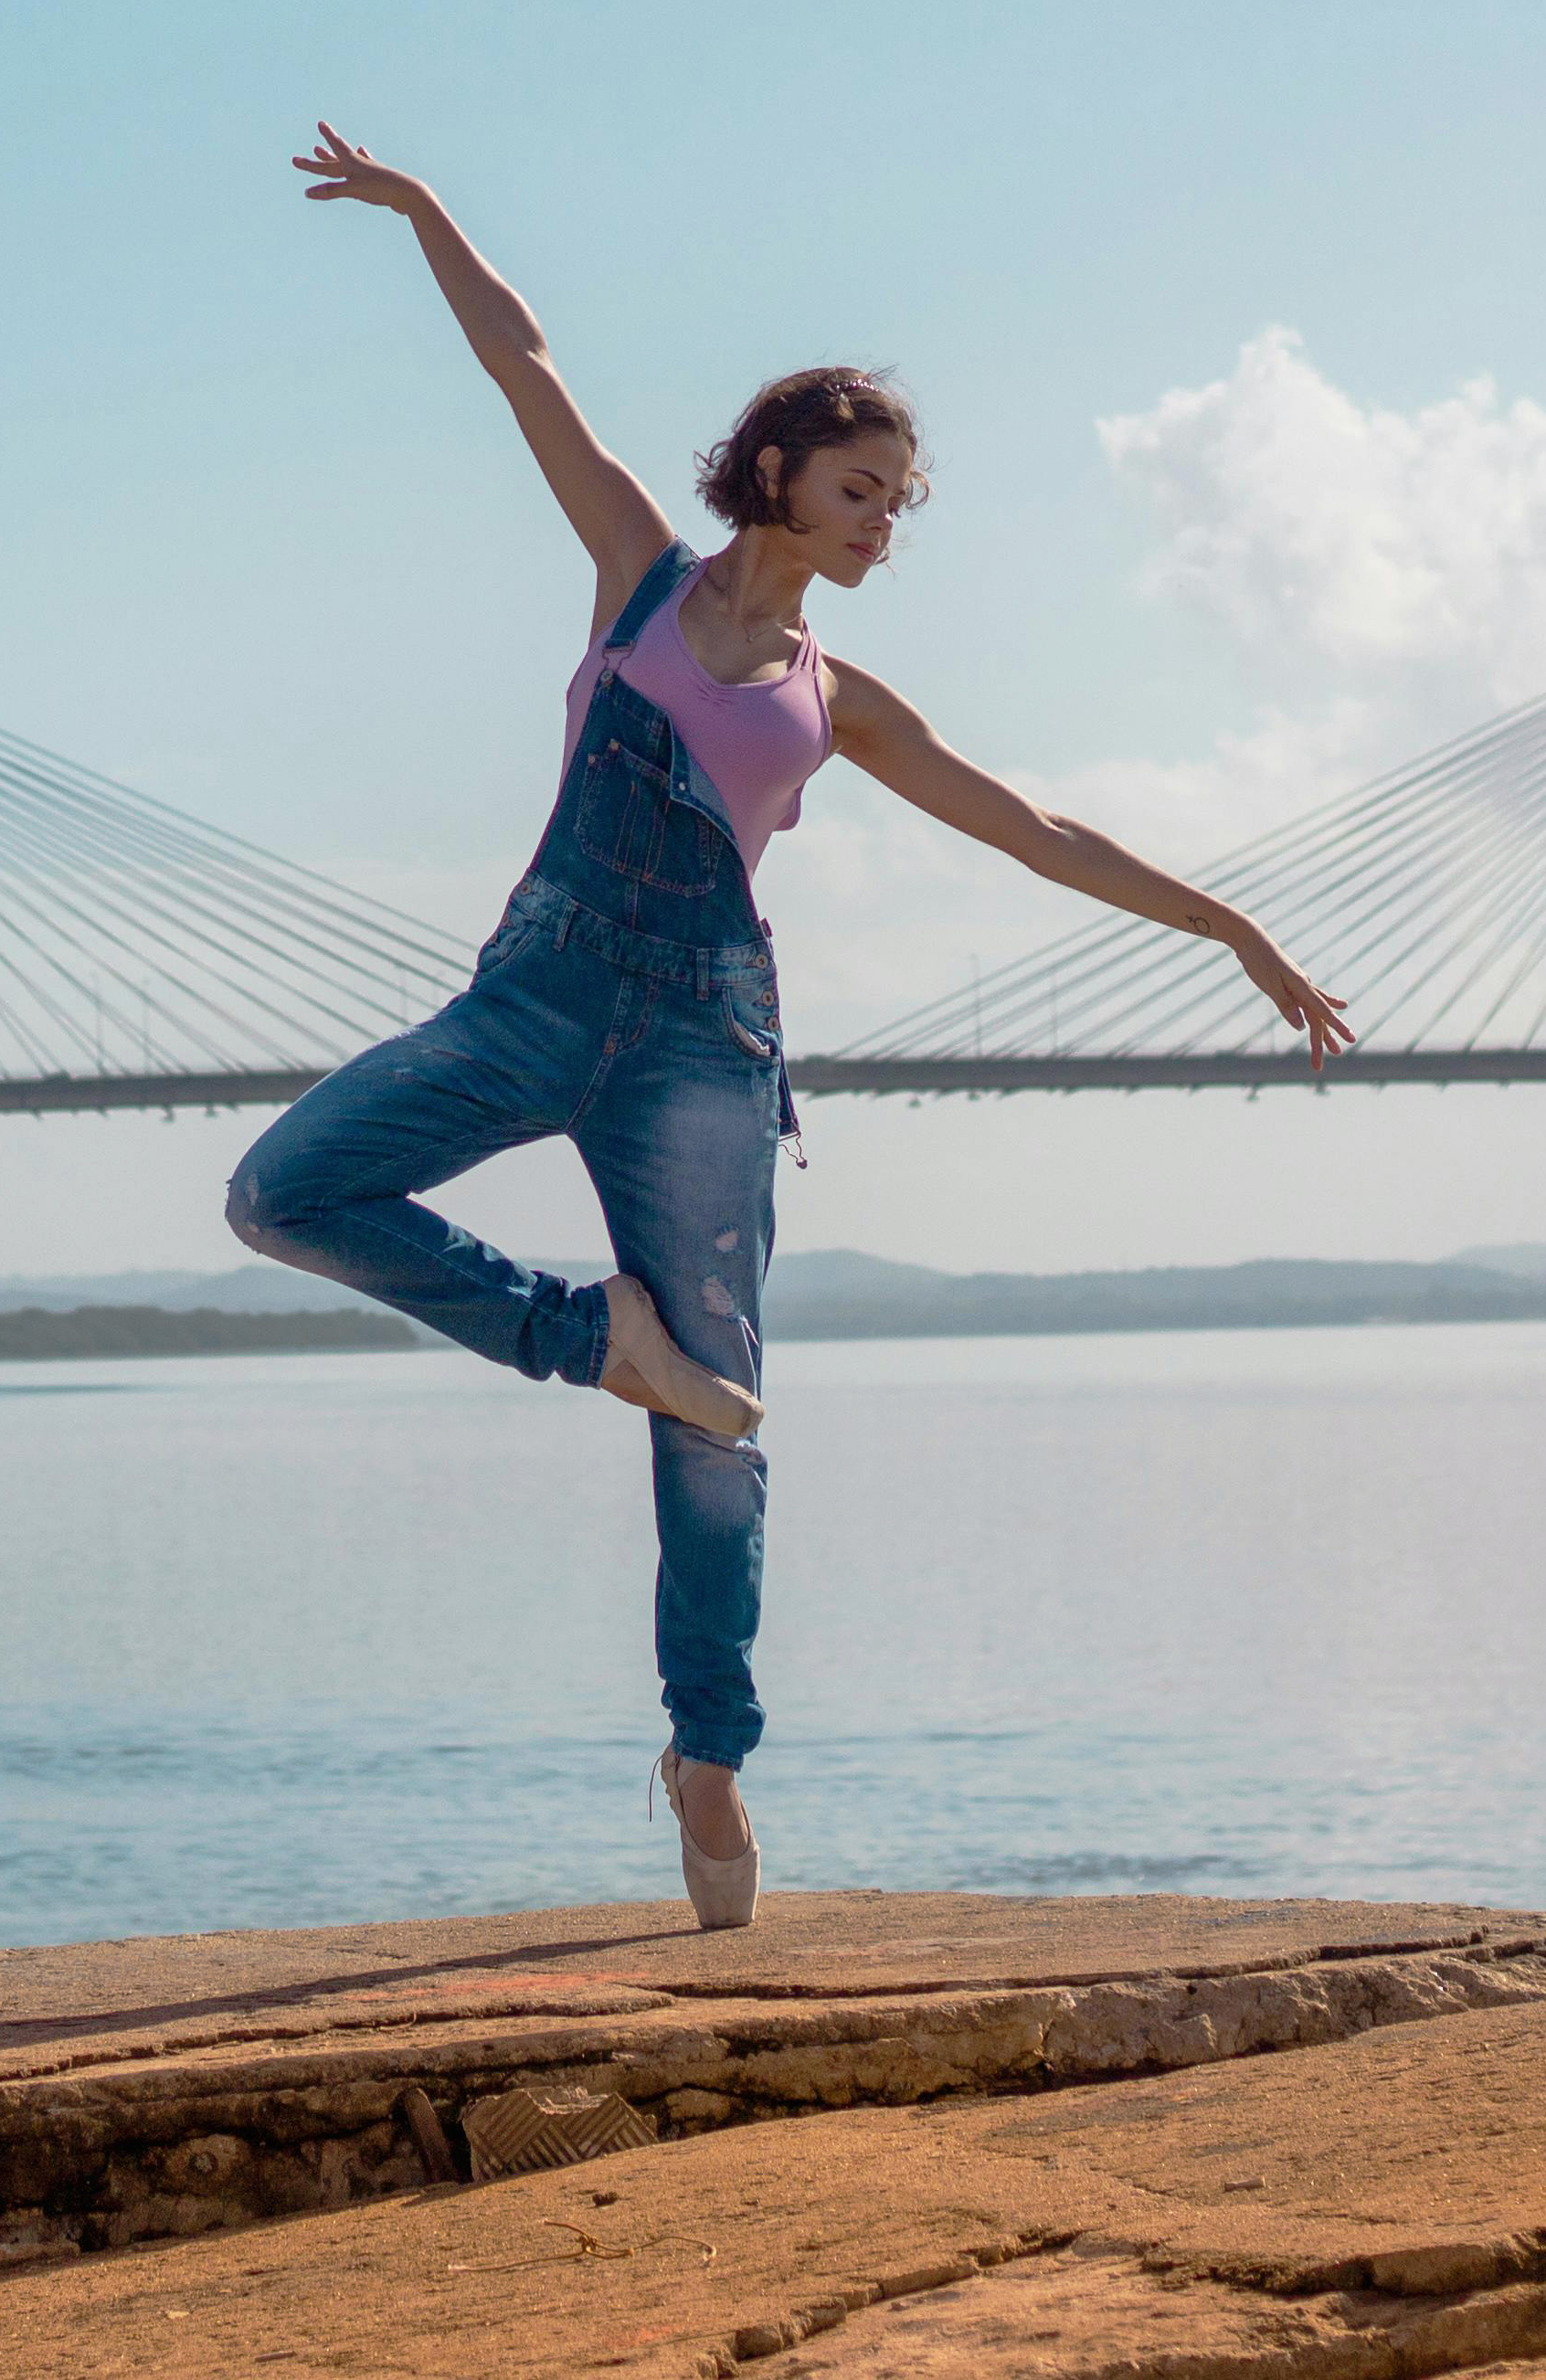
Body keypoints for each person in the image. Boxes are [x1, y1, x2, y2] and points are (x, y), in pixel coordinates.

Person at [225, 127, 1357, 1929]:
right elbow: (523, 365)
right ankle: (580, 1334)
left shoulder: (846, 699)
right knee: (282, 1192)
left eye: (902, 500)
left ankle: (710, 1761)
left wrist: (1231, 930)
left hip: (703, 1046)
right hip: (535, 996)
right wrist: (431, 212)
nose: (886, 518)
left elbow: (1039, 829)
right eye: (863, 485)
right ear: (777, 468)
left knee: (721, 1421)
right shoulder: (640, 579)